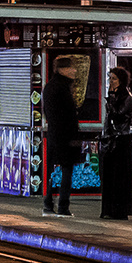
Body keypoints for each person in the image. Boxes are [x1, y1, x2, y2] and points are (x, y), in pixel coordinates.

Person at [41, 55, 83, 217]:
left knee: (53, 171)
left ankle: (48, 204)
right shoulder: (62, 88)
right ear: (62, 70)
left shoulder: (50, 87)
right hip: (65, 136)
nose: (74, 71)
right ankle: (63, 207)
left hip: (54, 134)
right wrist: (73, 136)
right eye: (70, 68)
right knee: (66, 171)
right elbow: (68, 115)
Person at [100, 67, 132, 220]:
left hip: (121, 140)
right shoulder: (115, 96)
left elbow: (118, 114)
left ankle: (120, 210)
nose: (111, 82)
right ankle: (108, 209)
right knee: (109, 176)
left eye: (114, 78)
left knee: (119, 177)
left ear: (121, 80)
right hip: (111, 139)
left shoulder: (127, 97)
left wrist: (110, 99)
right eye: (110, 78)